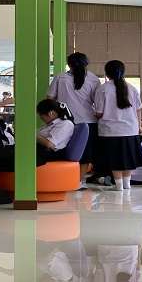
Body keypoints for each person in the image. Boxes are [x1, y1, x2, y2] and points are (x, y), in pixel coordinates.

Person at [48, 52, 101, 184]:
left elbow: (49, 99)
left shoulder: (60, 78)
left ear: (69, 64)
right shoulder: (93, 79)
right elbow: (98, 102)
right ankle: (77, 181)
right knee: (86, 154)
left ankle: (65, 179)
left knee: (64, 151)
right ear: (86, 64)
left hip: (65, 122)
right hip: (88, 122)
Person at [94, 60, 142, 191]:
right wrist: (139, 126)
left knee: (114, 158)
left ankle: (118, 186)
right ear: (123, 72)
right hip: (130, 129)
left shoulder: (103, 88)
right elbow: (138, 109)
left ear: (107, 73)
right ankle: (127, 184)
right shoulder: (132, 88)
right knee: (127, 157)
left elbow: (99, 113)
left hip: (110, 130)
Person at [0, 99, 75, 173]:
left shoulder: (65, 124)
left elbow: (50, 144)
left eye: (41, 115)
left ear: (51, 113)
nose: (41, 118)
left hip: (43, 153)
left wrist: (30, 134)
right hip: (34, 149)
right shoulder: (49, 125)